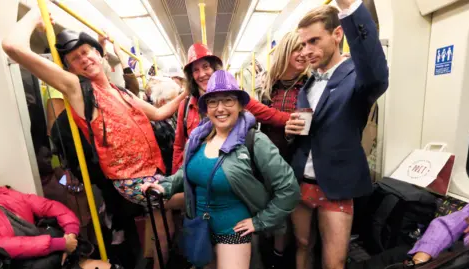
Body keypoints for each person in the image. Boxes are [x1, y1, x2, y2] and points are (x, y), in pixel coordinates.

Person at [1, 8, 185, 268]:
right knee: (200, 195)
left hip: (154, 172)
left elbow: (158, 113)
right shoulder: (78, 89)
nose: (83, 59)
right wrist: (34, 16)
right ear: (70, 69)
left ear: (99, 55)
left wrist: (187, 92)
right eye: (75, 59)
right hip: (133, 181)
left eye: (86, 52)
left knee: (161, 224)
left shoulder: (122, 93)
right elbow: (12, 46)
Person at [142, 70, 300, 269]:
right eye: (213, 102)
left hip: (233, 229)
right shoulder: (199, 138)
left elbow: (289, 188)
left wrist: (259, 222)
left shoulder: (254, 141)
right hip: (199, 226)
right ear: (206, 109)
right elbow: (186, 173)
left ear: (241, 105)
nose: (220, 108)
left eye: (228, 100)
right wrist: (164, 186)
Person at [284, 1, 389, 269]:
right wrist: (290, 132)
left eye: (314, 41)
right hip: (302, 181)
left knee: (334, 261)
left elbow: (376, 72)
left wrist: (350, 9)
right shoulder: (308, 82)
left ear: (338, 34)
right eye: (303, 43)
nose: (307, 51)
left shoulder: (358, 77)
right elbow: (309, 133)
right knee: (302, 246)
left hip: (337, 186)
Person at [171, 43, 292, 174]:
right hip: (197, 173)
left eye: (206, 67)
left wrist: (298, 120)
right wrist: (178, 181)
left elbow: (269, 115)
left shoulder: (236, 98)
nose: (202, 74)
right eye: (195, 70)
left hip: (232, 174)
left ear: (214, 69)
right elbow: (179, 146)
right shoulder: (186, 106)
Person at [260, 30, 310, 269]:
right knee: (275, 215)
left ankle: (283, 259)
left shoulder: (310, 85)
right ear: (285, 51)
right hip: (270, 158)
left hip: (299, 158)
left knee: (295, 219)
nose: (303, 54)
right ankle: (275, 257)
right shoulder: (268, 85)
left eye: (306, 48)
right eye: (297, 48)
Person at [0, 185, 116, 269]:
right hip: (26, 261)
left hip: (52, 249)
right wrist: (58, 244)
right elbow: (3, 245)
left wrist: (71, 231)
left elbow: (49, 207)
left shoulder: (4, 195)